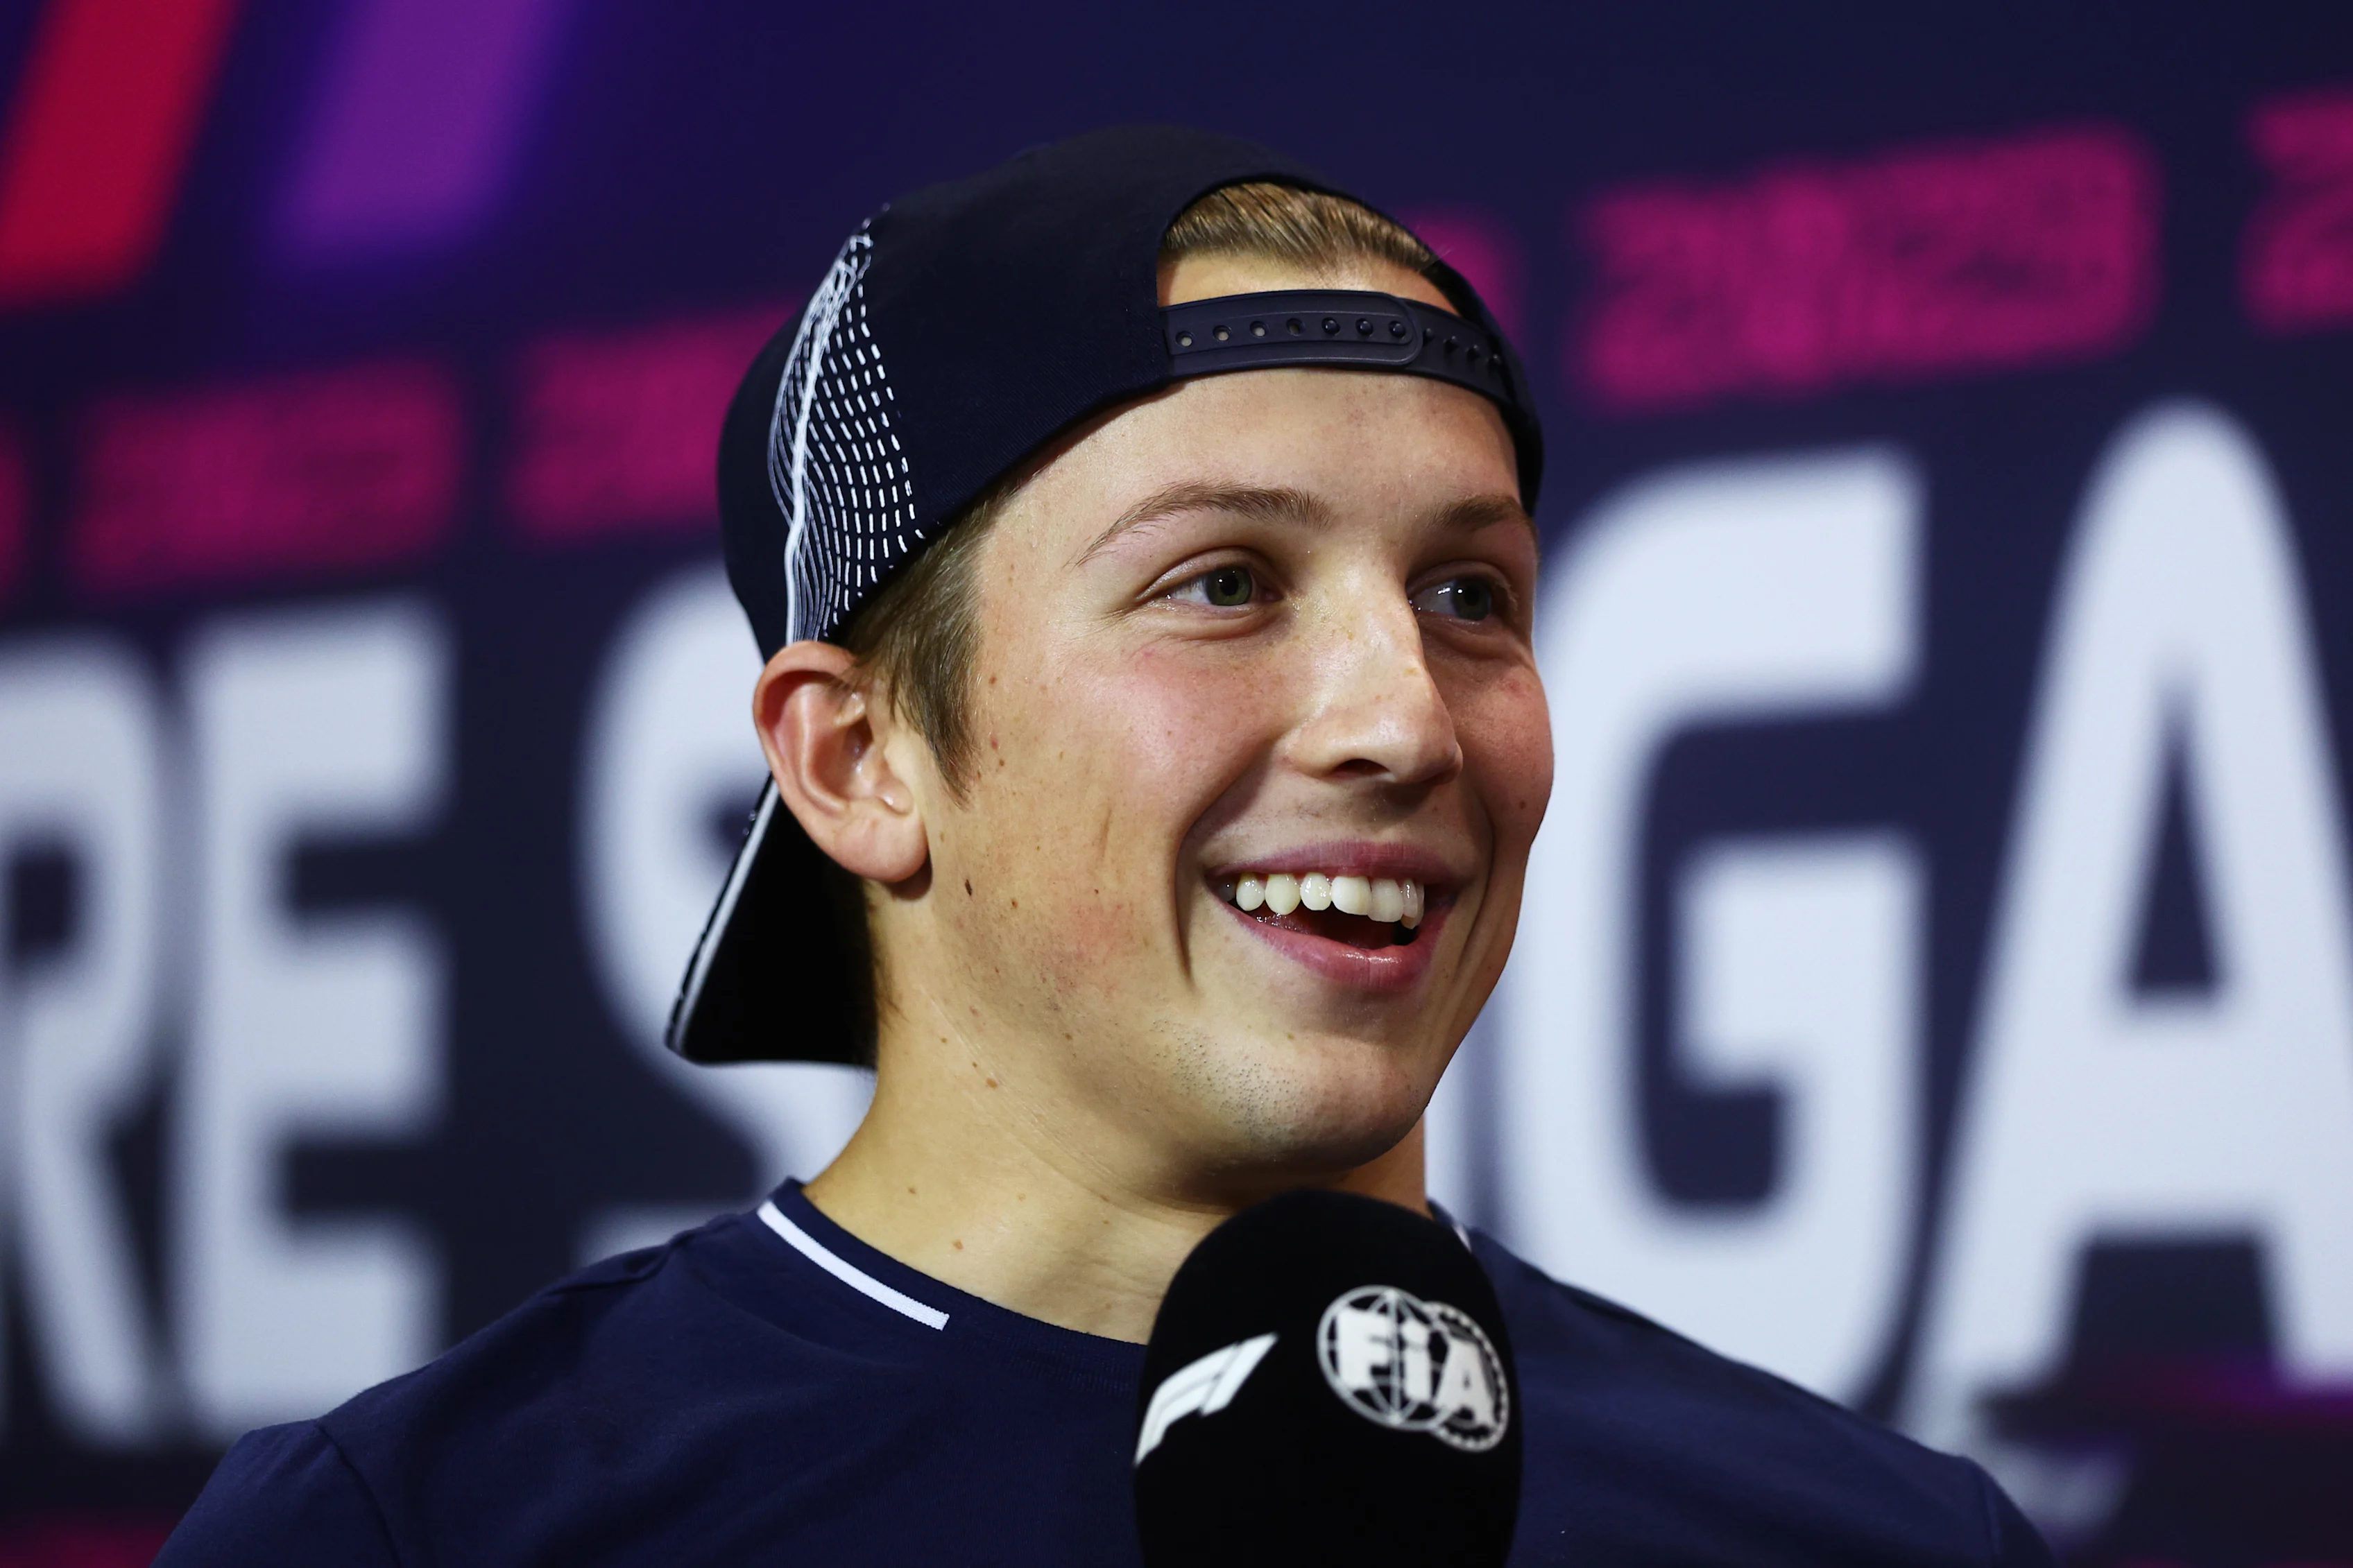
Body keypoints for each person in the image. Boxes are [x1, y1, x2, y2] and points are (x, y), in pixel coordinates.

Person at [158, 126, 2052, 1566]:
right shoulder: (417, 1528)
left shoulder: (1878, 1536)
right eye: (1223, 582)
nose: (1403, 714)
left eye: (1470, 591)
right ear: (859, 755)